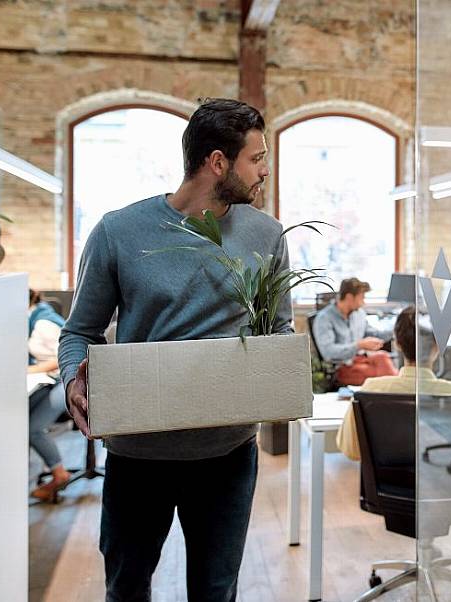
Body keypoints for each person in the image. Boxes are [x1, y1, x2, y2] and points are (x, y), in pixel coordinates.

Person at [58, 98, 286, 602]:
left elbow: (281, 328)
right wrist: (73, 378)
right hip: (138, 455)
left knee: (215, 591)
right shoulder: (118, 232)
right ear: (218, 162)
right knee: (126, 587)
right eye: (257, 158)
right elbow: (79, 331)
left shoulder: (266, 235)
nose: (265, 171)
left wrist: (285, 372)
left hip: (227, 455)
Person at [335, 306, 451, 560]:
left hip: (393, 493)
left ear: (396, 345)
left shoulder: (371, 390)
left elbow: (350, 448)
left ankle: (429, 546)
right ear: (437, 348)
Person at [312, 277, 398, 385]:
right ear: (349, 297)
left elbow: (373, 333)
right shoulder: (324, 319)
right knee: (382, 376)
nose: (363, 303)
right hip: (342, 367)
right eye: (361, 298)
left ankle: (397, 388)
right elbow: (328, 352)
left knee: (383, 357)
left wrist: (397, 330)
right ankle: (398, 389)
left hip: (361, 359)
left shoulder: (359, 314)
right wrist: (358, 345)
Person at [27, 289, 70, 502]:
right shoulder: (37, 317)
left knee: (32, 429)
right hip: (53, 381)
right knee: (24, 417)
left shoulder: (42, 324)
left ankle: (59, 474)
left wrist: (27, 370)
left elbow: (61, 358)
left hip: (68, 382)